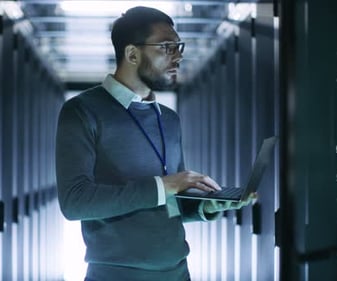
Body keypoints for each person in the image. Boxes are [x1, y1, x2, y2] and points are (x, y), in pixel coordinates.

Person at [55, 6, 255, 281]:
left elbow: (168, 201)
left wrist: (205, 207)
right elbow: (74, 202)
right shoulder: (82, 111)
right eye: (167, 47)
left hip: (178, 272)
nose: (178, 56)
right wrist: (165, 184)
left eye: (178, 46)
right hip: (115, 275)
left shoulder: (169, 119)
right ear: (132, 54)